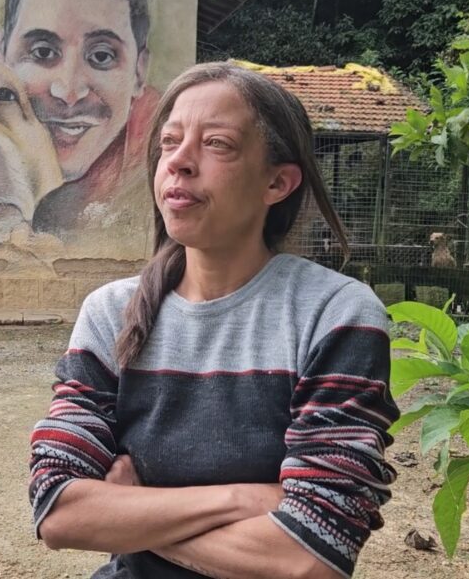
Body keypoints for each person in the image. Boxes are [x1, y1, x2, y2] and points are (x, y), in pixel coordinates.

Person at [29, 62, 400, 578]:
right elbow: (59, 511)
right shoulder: (110, 313)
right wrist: (242, 499)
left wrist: (133, 511)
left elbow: (310, 556)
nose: (179, 162)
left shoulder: (334, 314)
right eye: (169, 142)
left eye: (217, 144)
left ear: (277, 182)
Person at [0, 0, 159, 234]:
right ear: (0, 54)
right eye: (43, 52)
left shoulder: (163, 151)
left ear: (139, 73)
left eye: (102, 56)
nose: (68, 91)